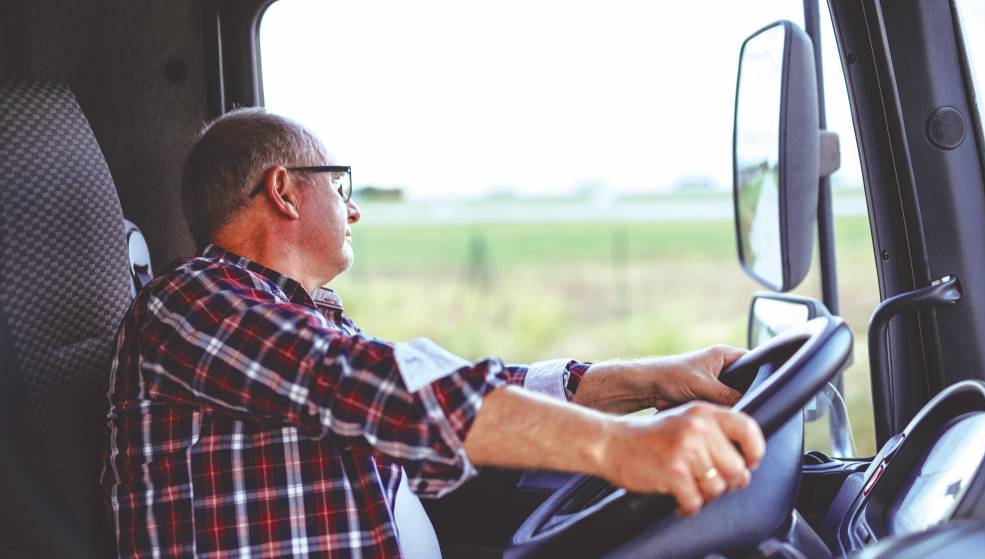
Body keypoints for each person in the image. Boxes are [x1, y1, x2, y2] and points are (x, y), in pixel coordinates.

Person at [101, 108, 765, 558]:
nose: (354, 207)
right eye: (341, 185)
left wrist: (650, 379)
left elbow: (447, 386)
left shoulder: (297, 318)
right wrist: (623, 447)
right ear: (283, 190)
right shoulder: (191, 305)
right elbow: (382, 388)